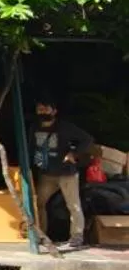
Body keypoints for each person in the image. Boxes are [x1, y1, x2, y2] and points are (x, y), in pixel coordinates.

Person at [29, 98, 95, 251]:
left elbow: (87, 139)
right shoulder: (34, 127)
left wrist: (74, 154)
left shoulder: (65, 127)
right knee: (38, 203)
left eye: (46, 109)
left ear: (54, 111)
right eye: (40, 109)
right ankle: (41, 234)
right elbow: (31, 147)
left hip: (67, 173)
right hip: (46, 174)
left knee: (73, 205)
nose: (42, 112)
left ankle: (76, 237)